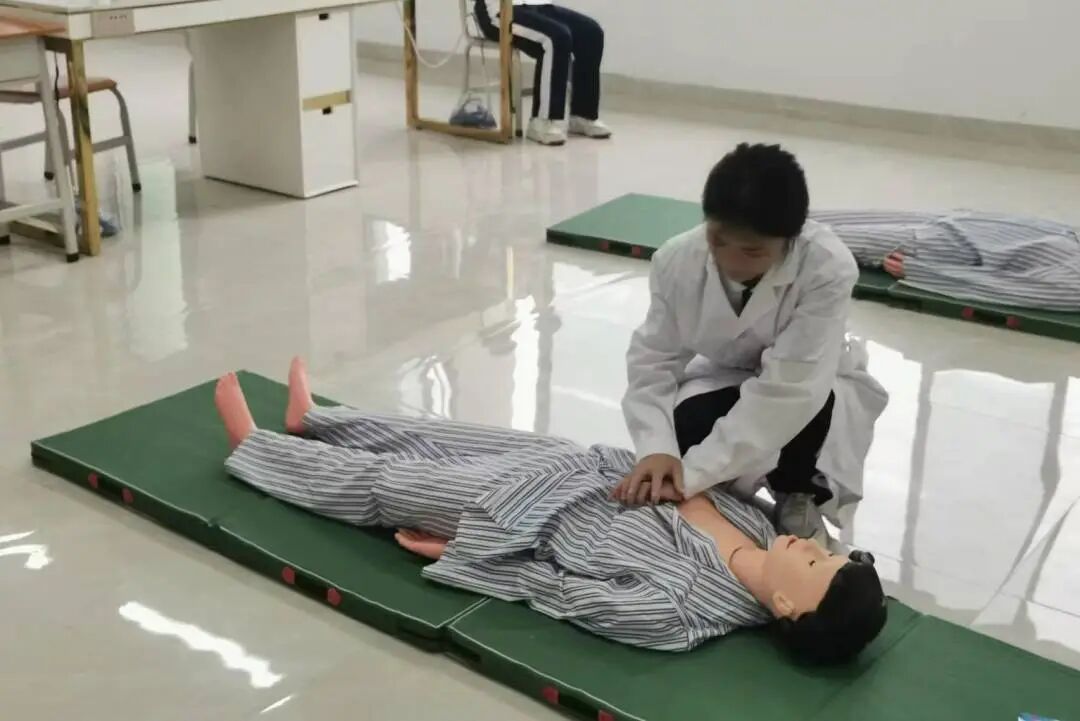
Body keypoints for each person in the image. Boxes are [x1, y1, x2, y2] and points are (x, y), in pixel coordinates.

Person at [214, 359, 887, 663]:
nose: (811, 546)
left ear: (788, 608)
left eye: (815, 565)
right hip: (573, 465)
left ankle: (259, 451)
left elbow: (562, 593)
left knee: (390, 483)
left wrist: (474, 557)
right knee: (439, 435)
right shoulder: (758, 524)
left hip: (517, 517)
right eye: (823, 553)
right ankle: (317, 420)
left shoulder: (679, 615)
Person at [617, 144, 889, 543]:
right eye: (717, 240)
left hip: (809, 383)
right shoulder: (676, 260)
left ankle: (797, 491)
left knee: (813, 415)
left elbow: (789, 389)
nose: (731, 260)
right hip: (725, 373)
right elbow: (654, 359)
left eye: (752, 251)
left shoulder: (826, 268)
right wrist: (656, 449)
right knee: (685, 425)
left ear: (789, 240)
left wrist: (691, 475)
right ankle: (723, 497)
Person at [809, 209, 1080, 311]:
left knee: (813, 236)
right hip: (956, 221)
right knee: (816, 216)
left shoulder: (1074, 284)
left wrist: (922, 272)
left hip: (941, 247)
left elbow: (1007, 288)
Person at [472, 0, 611, 146]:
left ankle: (581, 115)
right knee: (556, 37)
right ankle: (541, 121)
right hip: (498, 10)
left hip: (538, 5)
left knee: (591, 33)